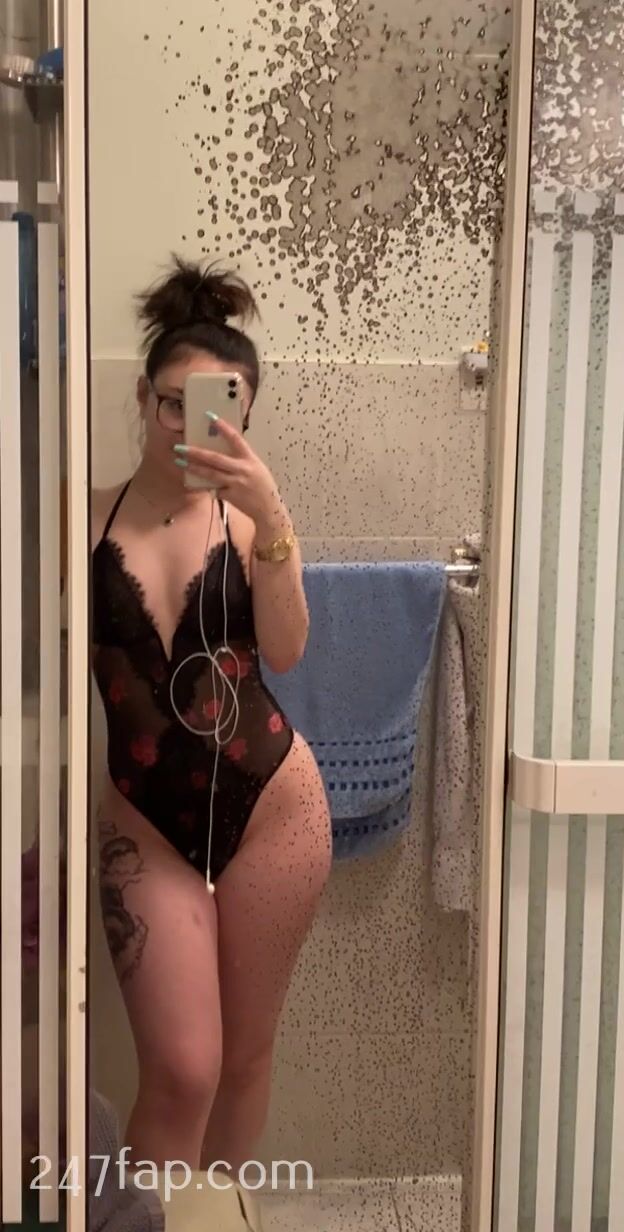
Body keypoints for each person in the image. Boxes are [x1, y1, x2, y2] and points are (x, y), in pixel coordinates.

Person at [91, 256, 332, 1173]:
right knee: (183, 1072)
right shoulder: (82, 517)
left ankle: (221, 1218)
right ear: (145, 399)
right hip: (143, 824)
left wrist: (270, 511)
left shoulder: (254, 523)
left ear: (244, 419)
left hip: (274, 811)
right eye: (172, 405)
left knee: (246, 1060)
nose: (187, 429)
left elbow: (287, 652)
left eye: (218, 412)